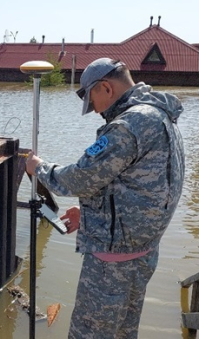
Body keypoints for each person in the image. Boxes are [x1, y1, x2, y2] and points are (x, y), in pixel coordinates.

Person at [25, 57, 185, 338]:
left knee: (89, 333)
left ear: (105, 88)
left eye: (93, 102)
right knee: (123, 331)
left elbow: (78, 178)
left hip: (113, 262)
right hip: (143, 253)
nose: (97, 112)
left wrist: (38, 168)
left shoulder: (128, 125)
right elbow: (140, 186)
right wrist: (87, 212)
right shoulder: (160, 115)